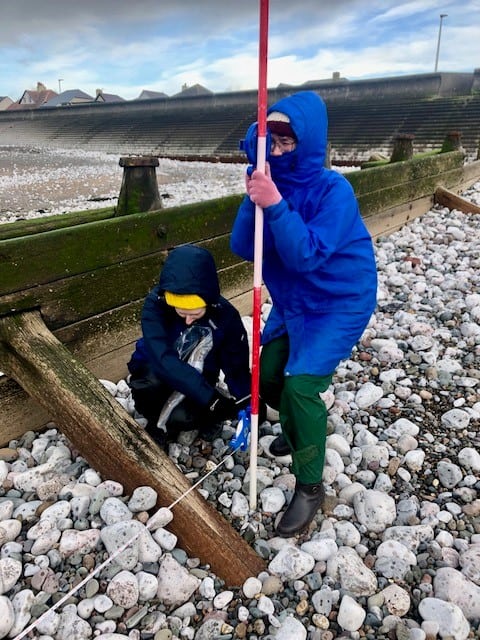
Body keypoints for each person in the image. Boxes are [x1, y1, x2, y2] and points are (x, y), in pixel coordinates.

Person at [230, 91, 377, 537]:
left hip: (338, 301)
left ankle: (310, 486)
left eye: (286, 140)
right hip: (295, 302)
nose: (276, 148)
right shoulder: (271, 178)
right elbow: (242, 246)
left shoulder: (335, 190)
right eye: (269, 139)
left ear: (308, 141)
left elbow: (307, 256)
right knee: (268, 374)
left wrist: (274, 203)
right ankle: (298, 432)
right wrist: (255, 191)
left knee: (299, 388)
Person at [127, 244, 251, 447]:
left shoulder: (225, 316)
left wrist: (246, 400)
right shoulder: (156, 305)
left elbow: (235, 363)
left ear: (208, 302)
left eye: (195, 314)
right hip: (156, 370)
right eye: (181, 313)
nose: (187, 321)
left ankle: (204, 419)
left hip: (200, 375)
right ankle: (155, 422)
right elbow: (162, 358)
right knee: (146, 390)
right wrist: (210, 398)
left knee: (183, 418)